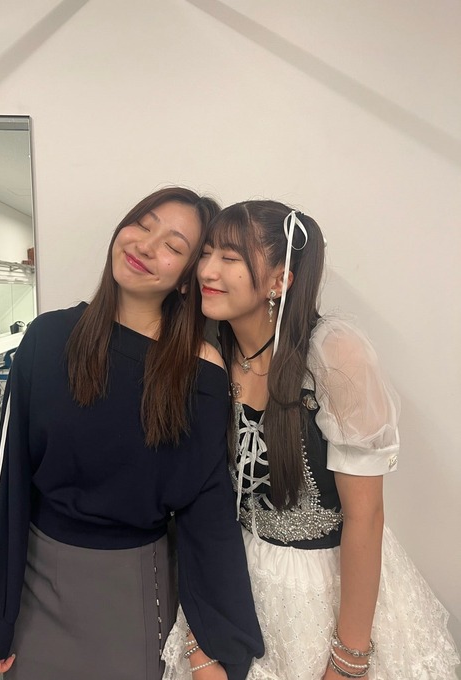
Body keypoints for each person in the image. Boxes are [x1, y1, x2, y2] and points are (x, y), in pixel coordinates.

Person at [0, 187, 264, 680]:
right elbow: (7, 480)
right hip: (35, 583)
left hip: (135, 586)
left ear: (187, 280)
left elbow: (207, 512)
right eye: (143, 225)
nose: (145, 246)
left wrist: (221, 647)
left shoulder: (200, 373)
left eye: (172, 246)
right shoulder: (48, 337)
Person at [162, 200, 460, 679]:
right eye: (207, 252)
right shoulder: (208, 349)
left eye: (230, 258)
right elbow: (192, 500)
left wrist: (347, 662)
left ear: (280, 280)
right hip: (229, 576)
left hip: (327, 587)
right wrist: (200, 642)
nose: (207, 270)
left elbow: (366, 516)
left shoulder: (333, 355)